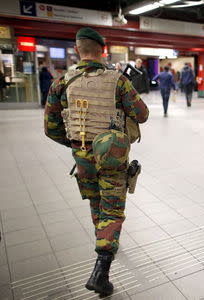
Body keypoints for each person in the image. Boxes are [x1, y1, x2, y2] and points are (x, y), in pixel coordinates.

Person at [44, 27, 149, 297]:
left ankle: (104, 236)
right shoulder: (118, 80)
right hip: (112, 153)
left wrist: (76, 145)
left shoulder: (61, 82)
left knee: (95, 201)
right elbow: (142, 113)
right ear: (102, 50)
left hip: (82, 154)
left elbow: (51, 127)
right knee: (112, 209)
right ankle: (101, 271)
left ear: (78, 49)